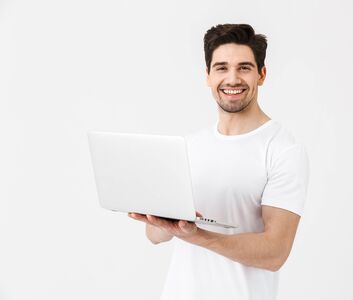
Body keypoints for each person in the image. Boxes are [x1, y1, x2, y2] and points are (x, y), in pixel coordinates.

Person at [129, 23, 309, 300]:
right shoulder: (188, 146)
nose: (233, 79)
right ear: (208, 76)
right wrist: (162, 222)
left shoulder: (283, 149)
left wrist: (196, 235)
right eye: (222, 68)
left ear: (262, 74)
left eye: (244, 68)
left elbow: (275, 252)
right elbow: (154, 236)